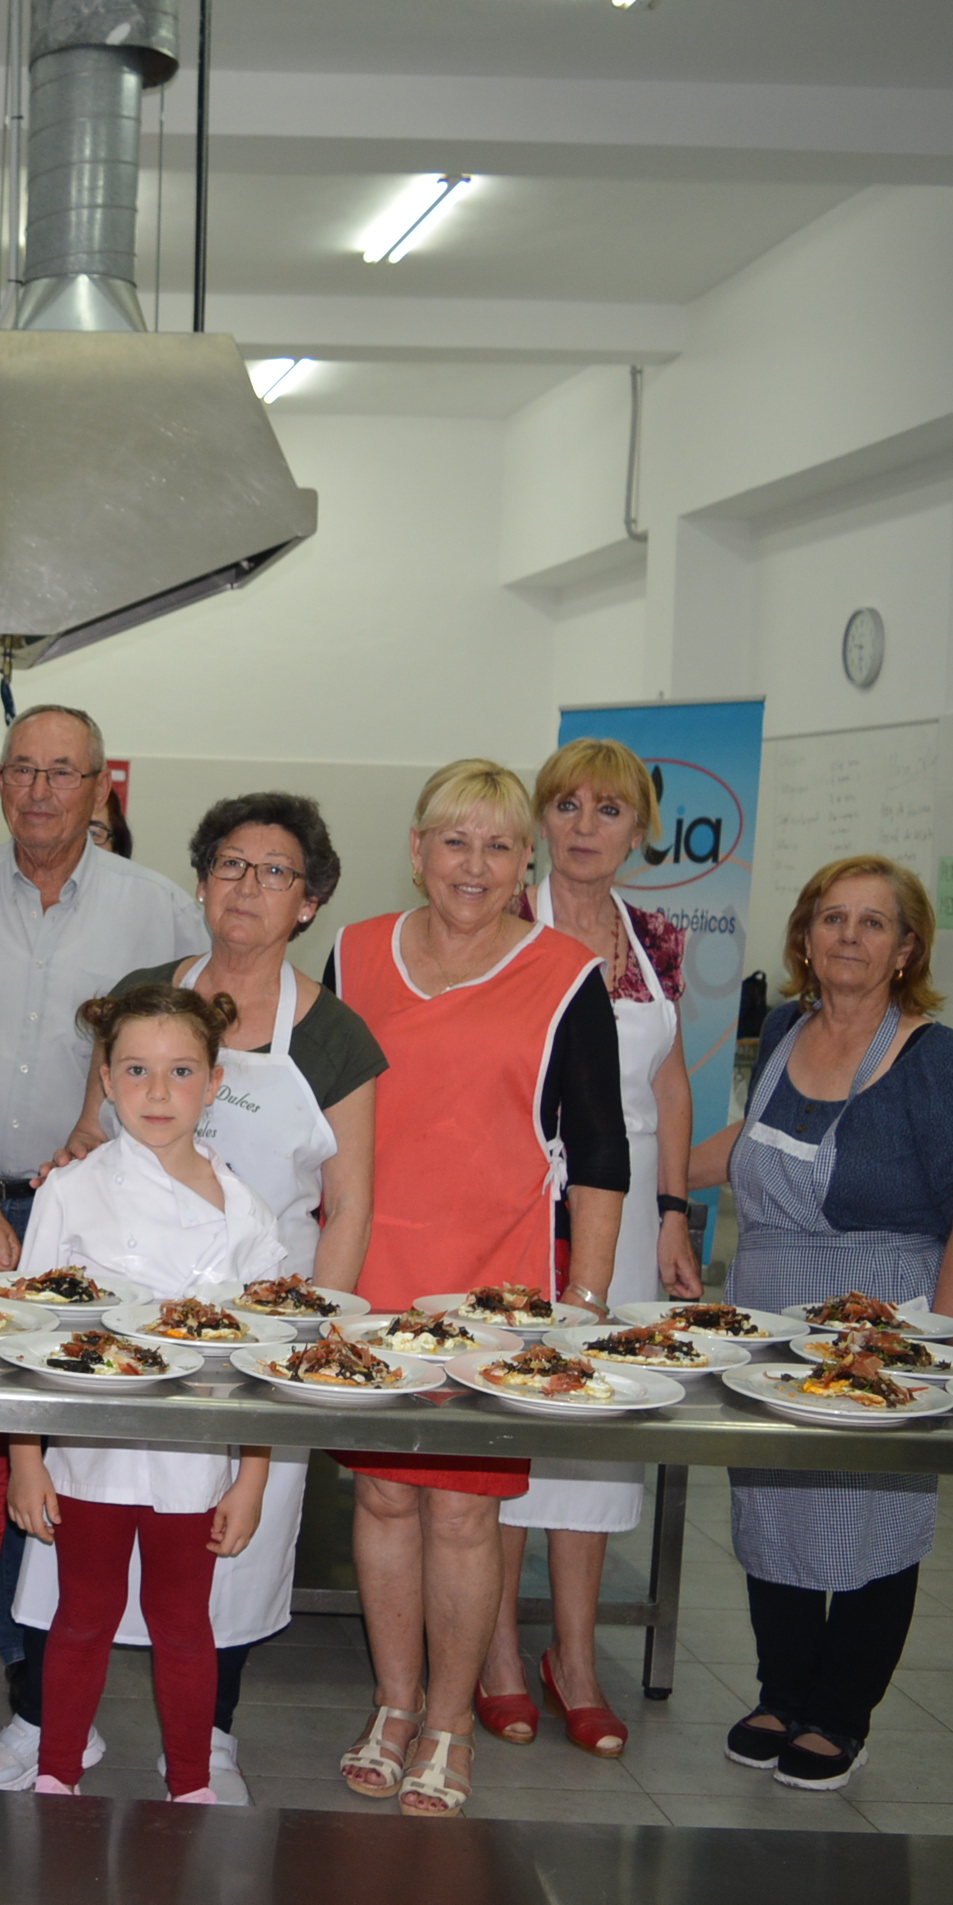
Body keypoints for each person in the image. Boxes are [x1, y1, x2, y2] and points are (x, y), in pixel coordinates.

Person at [0, 792, 383, 1799]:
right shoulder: (146, 991)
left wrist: (301, 1355)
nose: (246, 886)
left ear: (309, 899)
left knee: (216, 1577)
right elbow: (85, 1137)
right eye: (229, 863)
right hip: (95, 1369)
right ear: (199, 880)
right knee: (71, 1586)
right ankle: (47, 1735)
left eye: (274, 870)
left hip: (243, 1340)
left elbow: (349, 1202)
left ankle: (205, 1748)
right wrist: (62, 1190)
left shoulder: (331, 1034)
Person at [325, 758, 627, 1818]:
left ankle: (450, 1723)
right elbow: (306, 1116)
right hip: (370, 1280)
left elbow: (598, 1152)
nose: (474, 864)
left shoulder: (565, 973)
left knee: (460, 1511)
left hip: (496, 1292)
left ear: (524, 863)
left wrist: (581, 1311)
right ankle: (393, 1704)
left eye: (499, 846)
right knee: (380, 1493)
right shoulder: (352, 953)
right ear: (415, 849)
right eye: (454, 840)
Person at [691, 858, 953, 1792]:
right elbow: (743, 1149)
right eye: (834, 919)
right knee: (774, 1507)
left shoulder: (934, 1058)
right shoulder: (784, 1030)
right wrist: (653, 1180)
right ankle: (781, 1691)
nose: (850, 939)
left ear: (908, 949)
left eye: (875, 924)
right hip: (771, 1314)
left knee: (873, 1516)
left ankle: (842, 1711)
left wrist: (934, 1351)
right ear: (805, 936)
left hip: (883, 1323)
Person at [481, 741, 705, 1759]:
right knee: (509, 1425)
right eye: (564, 805)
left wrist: (674, 1210)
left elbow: (667, 1080)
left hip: (627, 1205)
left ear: (638, 829)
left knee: (596, 1434)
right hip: (523, 1197)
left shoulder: (655, 935)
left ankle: (574, 1657)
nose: (583, 824)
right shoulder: (503, 919)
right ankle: (493, 1650)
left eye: (607, 809)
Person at [7, 986, 282, 1803]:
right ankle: (57, 1771)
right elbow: (26, 1337)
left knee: (184, 1622)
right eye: (136, 1070)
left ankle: (192, 1781)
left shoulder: (243, 1209)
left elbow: (267, 1359)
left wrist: (254, 1474)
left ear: (214, 1080)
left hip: (195, 1455)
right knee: (81, 1615)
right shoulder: (71, 1189)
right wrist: (26, 1459)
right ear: (105, 1079)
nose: (158, 1094)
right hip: (90, 1450)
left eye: (180, 1072)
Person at [0, 705, 205, 1242]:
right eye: (22, 770)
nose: (38, 792)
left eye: (61, 773)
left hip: (99, 1207)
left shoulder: (162, 913)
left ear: (101, 787)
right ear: (0, 781)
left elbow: (203, 1054)